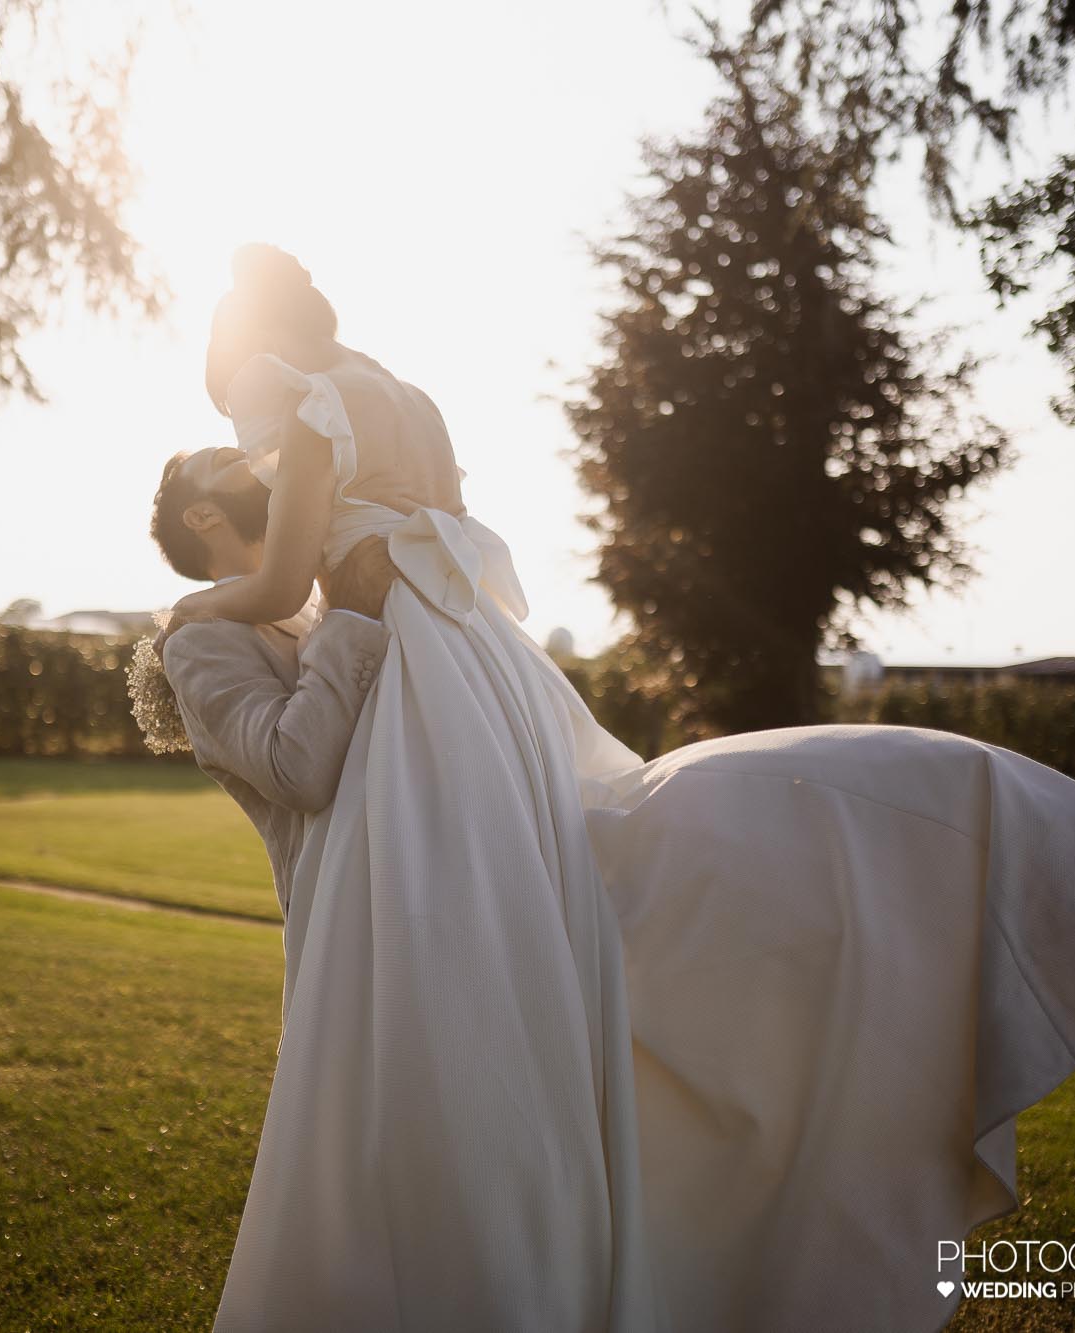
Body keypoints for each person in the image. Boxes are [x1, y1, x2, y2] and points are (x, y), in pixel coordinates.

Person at [142, 457, 1075, 1331]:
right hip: (389, 928)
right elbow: (297, 765)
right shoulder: (204, 638)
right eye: (226, 459)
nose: (260, 458)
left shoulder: (325, 586)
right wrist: (353, 615)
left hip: (494, 871)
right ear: (200, 516)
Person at [157, 244, 669, 1332]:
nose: (240, 424)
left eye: (230, 385)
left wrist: (201, 611)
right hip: (488, 662)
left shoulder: (304, 408)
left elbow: (289, 579)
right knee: (523, 924)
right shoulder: (410, 399)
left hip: (411, 668)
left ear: (258, 352)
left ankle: (450, 1243)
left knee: (432, 943)